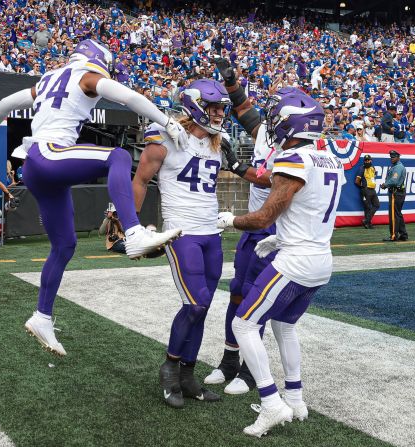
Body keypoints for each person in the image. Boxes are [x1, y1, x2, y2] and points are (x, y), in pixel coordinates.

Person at [0, 39, 187, 357]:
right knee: (117, 157)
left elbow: (4, 103)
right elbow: (128, 97)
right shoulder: (88, 76)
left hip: (36, 167)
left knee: (65, 245)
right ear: (99, 60)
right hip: (50, 154)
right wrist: (166, 120)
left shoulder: (47, 78)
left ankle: (42, 317)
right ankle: (133, 232)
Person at [216, 91, 344, 438]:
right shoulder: (331, 160)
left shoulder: (293, 160)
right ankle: (296, 397)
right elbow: (308, 211)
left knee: (244, 325)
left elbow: (263, 217)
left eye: (277, 118)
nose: (272, 123)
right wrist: (281, 237)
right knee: (285, 327)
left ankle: (272, 403)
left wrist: (231, 220)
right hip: (320, 260)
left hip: (296, 263)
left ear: (292, 122)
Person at [133, 78, 230, 409]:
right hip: (181, 232)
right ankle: (170, 367)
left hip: (211, 233)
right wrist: (132, 226)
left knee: (203, 309)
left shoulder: (219, 144)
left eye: (221, 108)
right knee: (195, 304)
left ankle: (188, 376)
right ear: (193, 105)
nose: (218, 114)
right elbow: (140, 180)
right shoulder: (165, 138)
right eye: (213, 107)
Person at [204, 60, 289, 397]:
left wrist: (238, 166)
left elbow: (274, 179)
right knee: (236, 291)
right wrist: (230, 81)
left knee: (256, 298)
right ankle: (228, 360)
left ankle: (250, 371)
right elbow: (242, 108)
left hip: (273, 230)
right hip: (252, 228)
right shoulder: (267, 132)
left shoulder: (296, 144)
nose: (268, 115)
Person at [380, 150, 408, 241]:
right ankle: (403, 234)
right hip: (398, 192)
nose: (392, 158)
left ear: (398, 157)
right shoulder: (396, 166)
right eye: (391, 157)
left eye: (394, 157)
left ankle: (393, 235)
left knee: (393, 215)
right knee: (398, 214)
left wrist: (385, 185)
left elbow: (394, 180)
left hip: (395, 193)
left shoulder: (398, 167)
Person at [355, 154, 379, 229]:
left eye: (368, 160)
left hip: (373, 190)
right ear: (364, 161)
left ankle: (366, 220)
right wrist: (363, 187)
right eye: (366, 160)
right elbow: (357, 181)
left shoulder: (372, 168)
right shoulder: (362, 169)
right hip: (366, 190)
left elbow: (374, 176)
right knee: (367, 207)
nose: (367, 161)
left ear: (371, 160)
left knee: (377, 205)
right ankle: (368, 223)